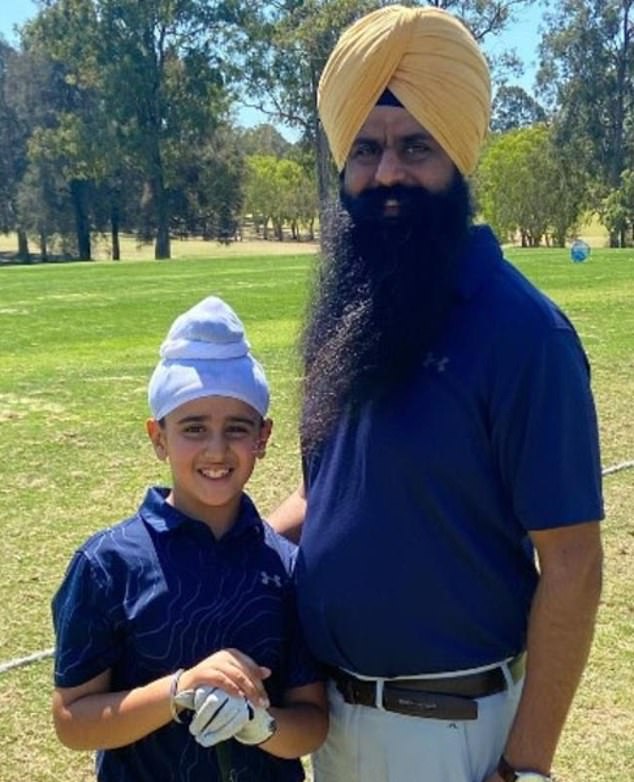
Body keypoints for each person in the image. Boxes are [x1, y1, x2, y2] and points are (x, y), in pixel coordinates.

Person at [268, 6, 604, 782]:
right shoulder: (353, 314)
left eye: (415, 146)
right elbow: (329, 492)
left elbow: (574, 563)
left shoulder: (524, 334)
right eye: (366, 149)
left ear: (457, 154)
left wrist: (526, 768)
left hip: (449, 736)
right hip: (328, 721)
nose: (387, 172)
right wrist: (219, 552)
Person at [51, 295, 328, 782]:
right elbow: (73, 721)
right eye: (193, 428)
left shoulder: (286, 566)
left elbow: (311, 722)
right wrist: (178, 691)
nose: (216, 449)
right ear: (158, 437)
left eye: (236, 429)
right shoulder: (107, 564)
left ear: (262, 438)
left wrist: (258, 724)